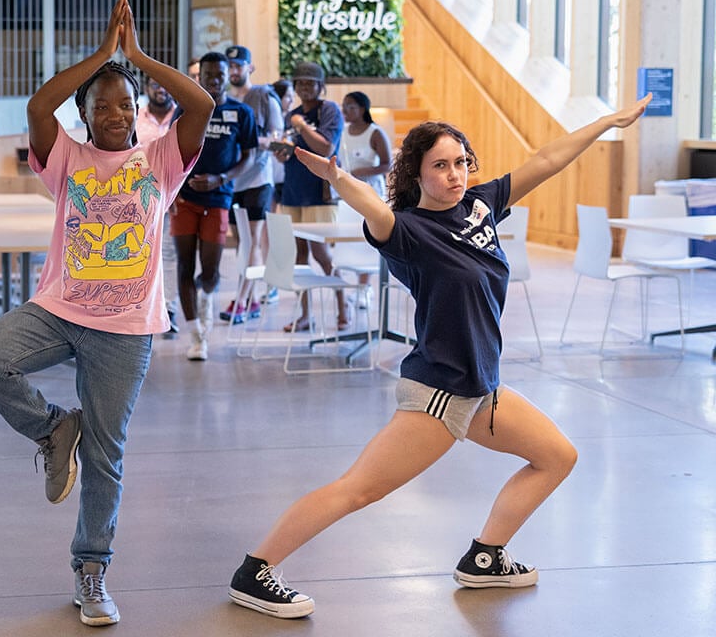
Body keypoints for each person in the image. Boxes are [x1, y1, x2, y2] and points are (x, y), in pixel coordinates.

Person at [227, 96, 652, 620]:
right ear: (418, 173)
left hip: (481, 389)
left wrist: (607, 121)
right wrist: (337, 177)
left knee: (556, 456)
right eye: (440, 166)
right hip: (439, 394)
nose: (454, 175)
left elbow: (544, 161)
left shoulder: (479, 205)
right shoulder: (408, 232)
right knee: (358, 490)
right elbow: (375, 209)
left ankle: (485, 557)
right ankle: (256, 569)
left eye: (460, 162)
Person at [0, 0, 212, 627]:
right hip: (60, 308)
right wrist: (103, 57)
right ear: (86, 116)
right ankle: (50, 429)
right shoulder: (65, 157)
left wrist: (139, 60)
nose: (115, 114)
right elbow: (38, 106)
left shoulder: (160, 160)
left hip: (126, 330)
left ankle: (91, 570)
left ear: (138, 111)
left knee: (106, 456)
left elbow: (202, 105)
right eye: (101, 105)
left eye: (124, 103)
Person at [172, 51, 257, 360]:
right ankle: (196, 335)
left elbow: (249, 156)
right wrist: (172, 191)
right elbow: (171, 153)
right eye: (208, 76)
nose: (215, 80)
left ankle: (206, 301)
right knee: (184, 265)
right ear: (201, 78)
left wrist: (221, 179)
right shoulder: (186, 109)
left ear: (227, 76)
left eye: (220, 75)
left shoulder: (241, 113)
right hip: (185, 200)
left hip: (219, 199)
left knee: (209, 270)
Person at [271, 60, 347, 332]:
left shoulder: (329, 111)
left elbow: (326, 149)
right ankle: (305, 315)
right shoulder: (291, 114)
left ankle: (342, 304)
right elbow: (291, 154)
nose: (304, 87)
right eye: (300, 82)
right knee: (298, 255)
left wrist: (302, 126)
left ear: (320, 86)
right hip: (293, 191)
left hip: (319, 191)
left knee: (322, 253)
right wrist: (282, 152)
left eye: (309, 82)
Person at [219, 45, 283, 325]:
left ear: (250, 68)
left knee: (253, 241)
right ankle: (253, 297)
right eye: (230, 66)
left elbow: (277, 138)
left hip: (258, 178)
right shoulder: (225, 101)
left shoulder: (264, 96)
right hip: (234, 179)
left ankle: (241, 300)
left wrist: (248, 140)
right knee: (242, 243)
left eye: (238, 66)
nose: (234, 71)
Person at [337, 90, 393, 307]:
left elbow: (388, 164)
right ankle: (359, 286)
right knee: (351, 237)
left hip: (371, 193)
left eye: (350, 106)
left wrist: (364, 171)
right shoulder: (342, 132)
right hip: (347, 192)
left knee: (367, 239)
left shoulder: (375, 133)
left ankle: (365, 287)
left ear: (362, 109)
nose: (345, 110)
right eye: (344, 105)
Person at [136, 75, 183, 338]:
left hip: (174, 197)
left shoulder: (182, 118)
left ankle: (169, 310)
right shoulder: (136, 117)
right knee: (139, 252)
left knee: (168, 254)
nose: (161, 89)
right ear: (147, 89)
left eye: (165, 84)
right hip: (141, 198)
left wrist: (174, 193)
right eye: (155, 85)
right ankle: (142, 307)